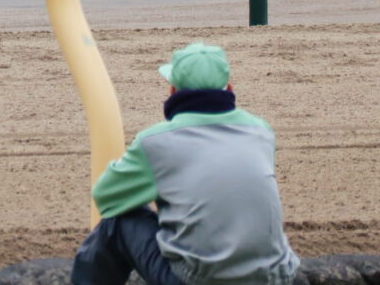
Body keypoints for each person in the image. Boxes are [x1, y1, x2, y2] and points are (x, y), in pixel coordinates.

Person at [71, 41, 300, 285]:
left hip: (197, 280)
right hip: (278, 277)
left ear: (172, 92)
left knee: (118, 222)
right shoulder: (261, 131)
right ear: (230, 88)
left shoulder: (155, 141)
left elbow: (106, 196)